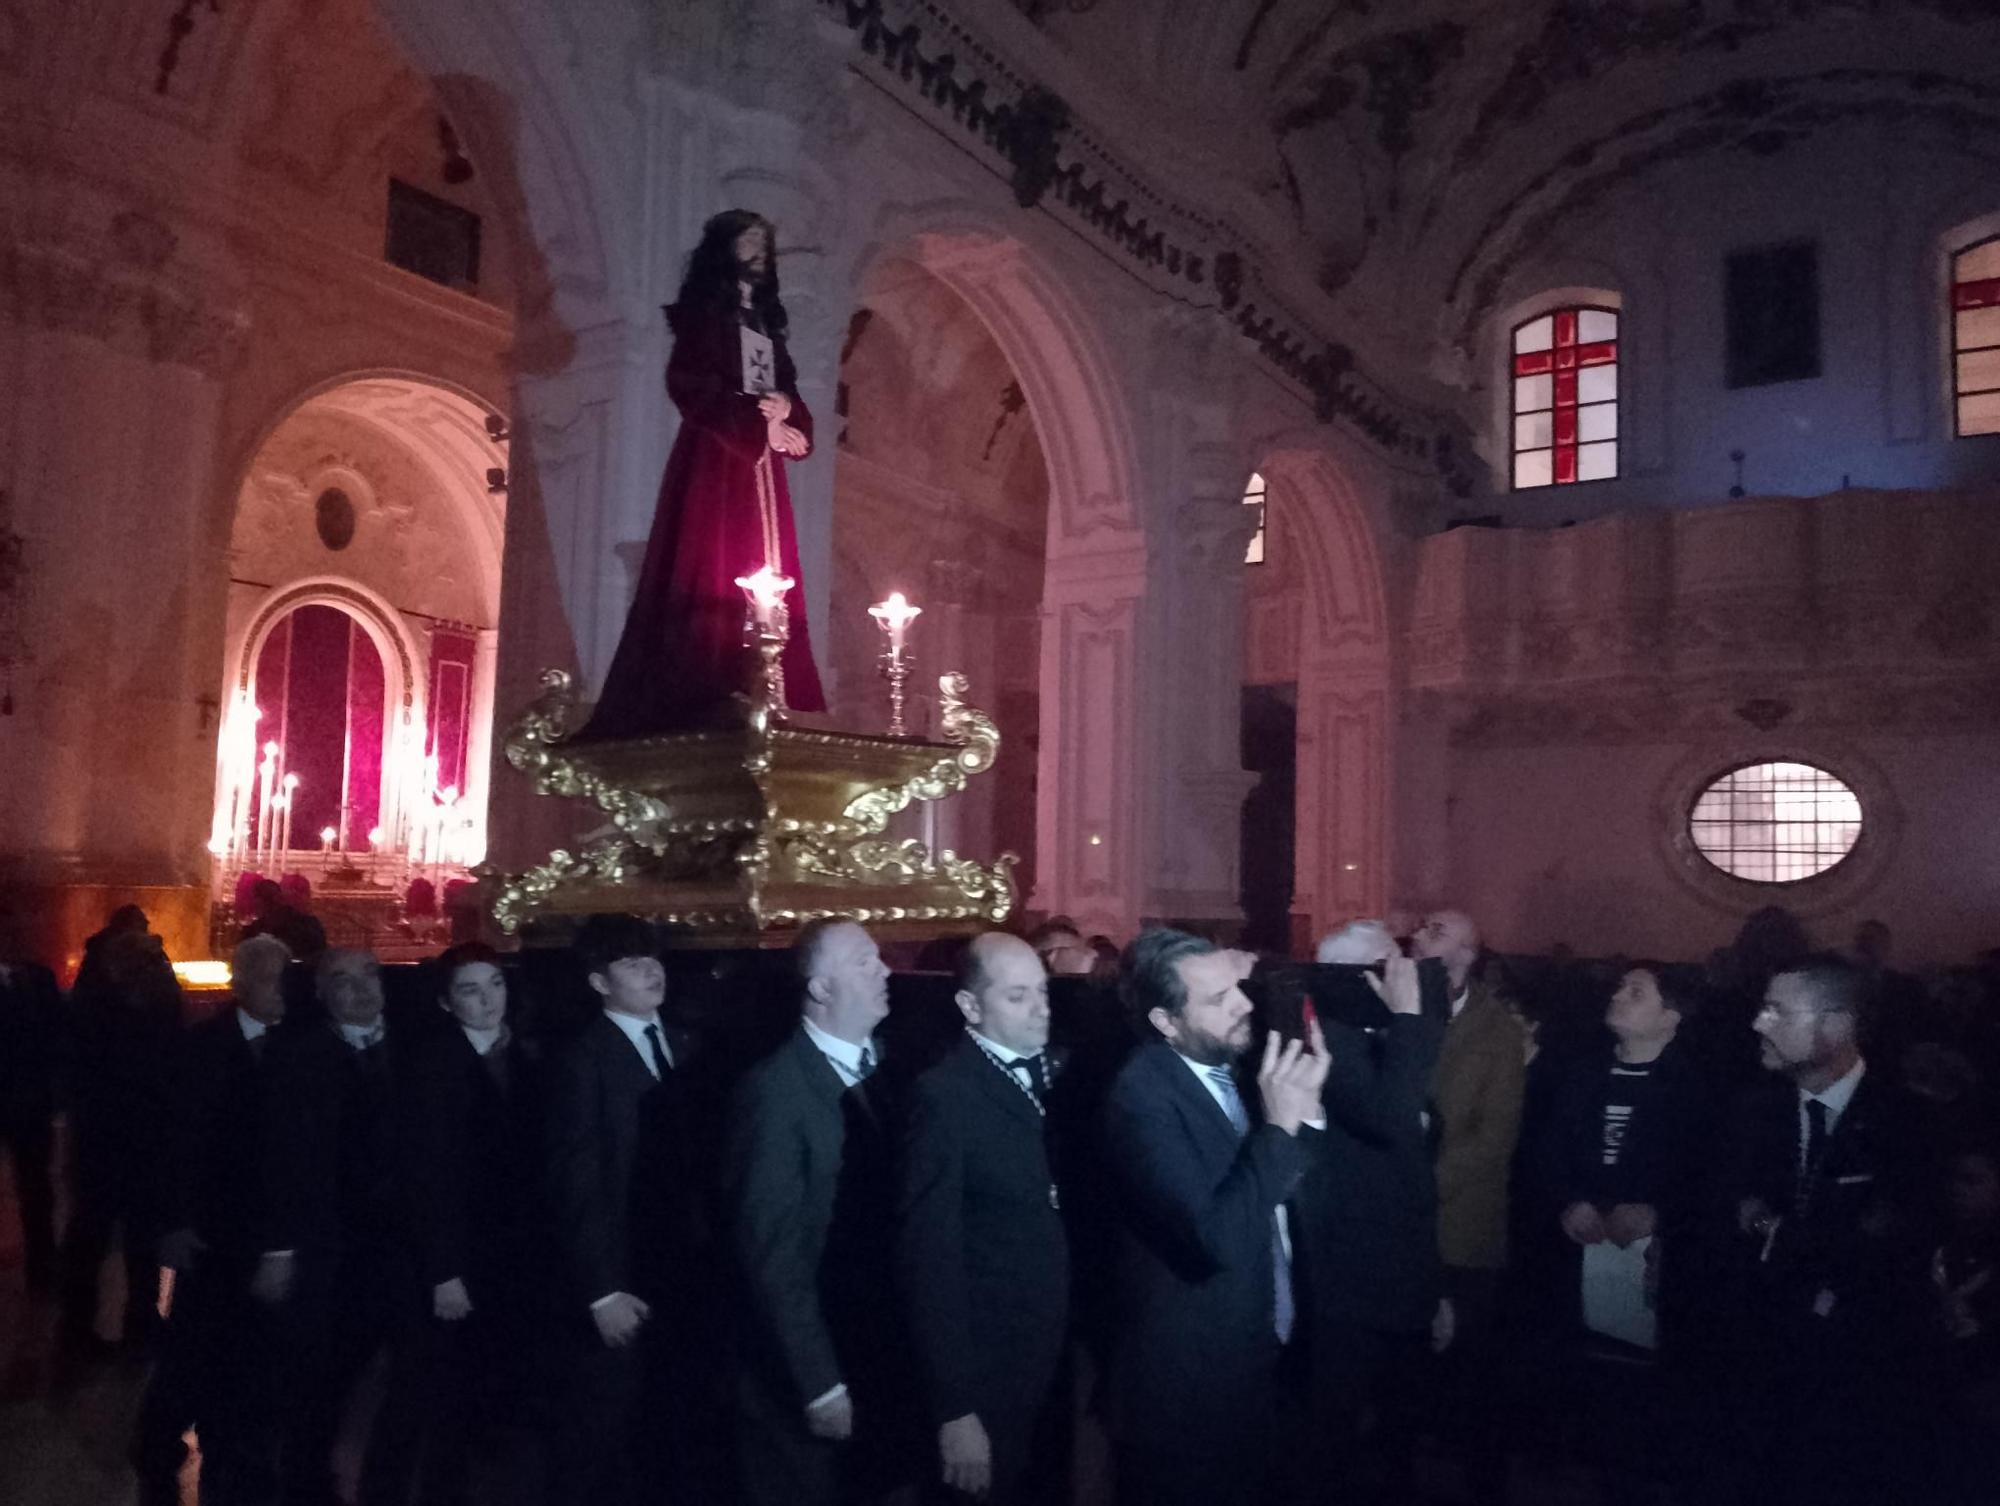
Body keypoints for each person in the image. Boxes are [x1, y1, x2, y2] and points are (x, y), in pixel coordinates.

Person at [1100, 929, 1329, 1506]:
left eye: (1238, 987)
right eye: (1218, 998)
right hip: (1188, 1392)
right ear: (1166, 1021)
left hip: (1257, 1366)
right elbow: (1215, 1238)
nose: (1244, 1004)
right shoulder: (1141, 1097)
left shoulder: (1234, 1064)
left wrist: (1306, 1114)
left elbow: (1275, 1195)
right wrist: (1279, 1128)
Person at [585, 209, 825, 737]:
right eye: (749, 240)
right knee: (716, 557)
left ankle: (766, 682)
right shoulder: (703, 318)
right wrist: (754, 427)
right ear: (725, 249)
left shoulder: (766, 327)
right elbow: (689, 385)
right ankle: (713, 685)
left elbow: (787, 393)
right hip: (717, 458)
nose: (759, 249)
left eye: (765, 240)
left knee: (770, 561)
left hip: (762, 466)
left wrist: (789, 417)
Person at [1722, 955, 1930, 1506]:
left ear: (1837, 1025)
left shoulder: (1905, 1125)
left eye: (1776, 1011)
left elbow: (1883, 1258)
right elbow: (1726, 1225)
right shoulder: (1749, 1112)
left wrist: (1771, 1227)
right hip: (1758, 1373)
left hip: (1859, 1385)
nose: (1757, 1023)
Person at [722, 917, 906, 1505]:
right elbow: (771, 1250)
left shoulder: (890, 1072)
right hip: (808, 1372)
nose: (884, 971)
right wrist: (818, 1382)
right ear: (820, 989)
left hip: (875, 1354)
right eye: (862, 961)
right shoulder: (775, 1092)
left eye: (879, 958)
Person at [363, 943, 545, 1506]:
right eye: (470, 989)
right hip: (442, 1259)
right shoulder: (430, 1066)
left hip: (498, 1253)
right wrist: (444, 1272)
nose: (488, 999)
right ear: (446, 1002)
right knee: (420, 1389)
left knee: (469, 1390)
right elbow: (425, 1176)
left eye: (495, 984)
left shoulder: (523, 1056)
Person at [544, 915, 713, 1506]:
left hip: (679, 1266)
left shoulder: (686, 1040)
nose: (651, 970)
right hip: (621, 1272)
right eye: (631, 963)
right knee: (598, 1428)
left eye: (653, 958)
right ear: (598, 982)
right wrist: (601, 1290)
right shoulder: (582, 1060)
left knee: (668, 1426)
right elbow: (576, 1181)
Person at [898, 933, 1071, 1503]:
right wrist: (955, 1405)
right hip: (991, 1360)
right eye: (1018, 997)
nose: (1041, 1008)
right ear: (971, 1007)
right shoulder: (945, 1096)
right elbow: (930, 1254)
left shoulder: (1062, 1074)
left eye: (1043, 992)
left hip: (1055, 1352)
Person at [1533, 963, 1715, 1495]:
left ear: (1671, 1017)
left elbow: (1709, 1172)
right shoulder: (1581, 1073)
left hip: (1653, 1258)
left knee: (1639, 1383)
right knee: (1574, 1369)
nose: (1618, 995)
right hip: (1576, 1250)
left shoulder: (1697, 1087)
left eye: (1636, 992)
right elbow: (1546, 1150)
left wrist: (1661, 1212)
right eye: (1619, 986)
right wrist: (1569, 1201)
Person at [132, 934, 291, 1506]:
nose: (283, 991)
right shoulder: (200, 1048)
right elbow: (172, 1142)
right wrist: (172, 1222)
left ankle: (241, 1457)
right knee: (193, 1351)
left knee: (255, 1353)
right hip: (210, 1230)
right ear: (242, 984)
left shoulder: (296, 1046)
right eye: (273, 979)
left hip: (264, 1230)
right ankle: (158, 1448)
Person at [1289, 933, 1444, 1506]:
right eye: (1389, 963)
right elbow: (1388, 1117)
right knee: (1332, 1436)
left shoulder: (1384, 1036)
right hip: (1351, 1282)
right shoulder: (1328, 1040)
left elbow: (1419, 1156)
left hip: (1400, 1275)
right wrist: (1410, 1019)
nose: (1402, 972)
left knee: (1400, 1436)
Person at [265, 947, 411, 1506]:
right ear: (322, 993)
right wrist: (279, 1249)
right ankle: (305, 1481)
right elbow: (282, 1157)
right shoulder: (299, 1056)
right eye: (342, 980)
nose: (360, 989)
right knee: (323, 1371)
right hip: (330, 1241)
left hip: (393, 1240)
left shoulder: (407, 1045)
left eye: (369, 975)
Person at [1411, 908, 1524, 1503]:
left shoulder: (1497, 1029)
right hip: (1403, 1225)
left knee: (1475, 1371)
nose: (1420, 935)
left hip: (1461, 1224)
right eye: (1423, 927)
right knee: (1410, 1370)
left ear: (1468, 953)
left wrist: (1418, 1186)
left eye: (1437, 931)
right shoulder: (1398, 1007)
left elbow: (1492, 1139)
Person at [60, 925, 183, 1350]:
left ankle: (78, 1328)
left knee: (94, 1233)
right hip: (138, 1131)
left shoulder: (95, 1001)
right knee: (138, 1235)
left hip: (102, 1132)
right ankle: (140, 1324)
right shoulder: (149, 1003)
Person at [0, 909, 63, 1298]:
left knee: (37, 1187)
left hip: (29, 1099)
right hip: (22, 1093)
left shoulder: (39, 978)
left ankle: (43, 1270)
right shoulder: (36, 979)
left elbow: (56, 1034)